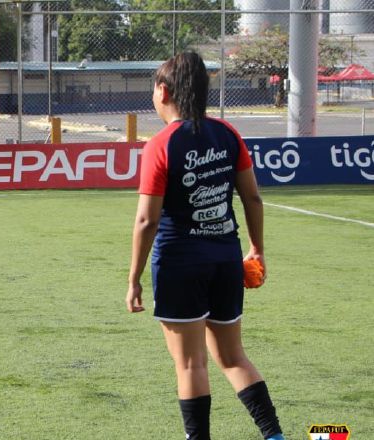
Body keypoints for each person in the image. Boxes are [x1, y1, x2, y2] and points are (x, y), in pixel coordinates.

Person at [125, 52, 284, 440]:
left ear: (163, 92)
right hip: (226, 259)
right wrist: (256, 249)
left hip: (180, 263)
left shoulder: (161, 145)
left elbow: (147, 220)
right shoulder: (228, 134)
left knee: (192, 364)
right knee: (233, 357)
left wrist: (133, 279)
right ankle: (275, 436)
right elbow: (253, 199)